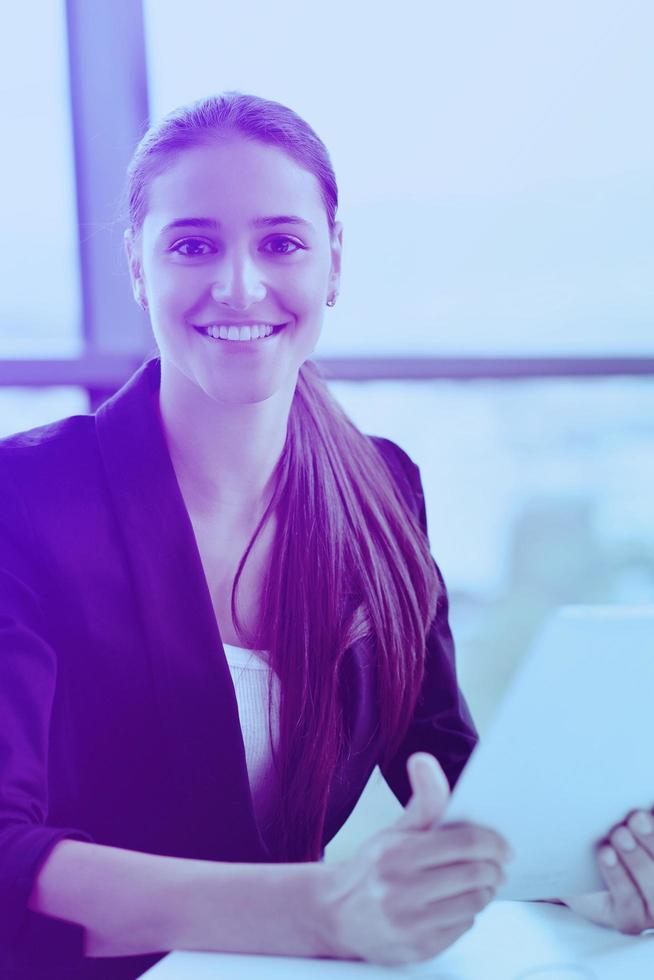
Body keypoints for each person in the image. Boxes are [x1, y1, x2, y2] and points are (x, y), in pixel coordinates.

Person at [0, 91, 510, 979]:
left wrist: (584, 869)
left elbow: (445, 764)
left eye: (282, 243)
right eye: (194, 245)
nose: (240, 286)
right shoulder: (27, 496)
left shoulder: (382, 488)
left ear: (334, 263)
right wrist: (314, 912)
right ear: (137, 266)